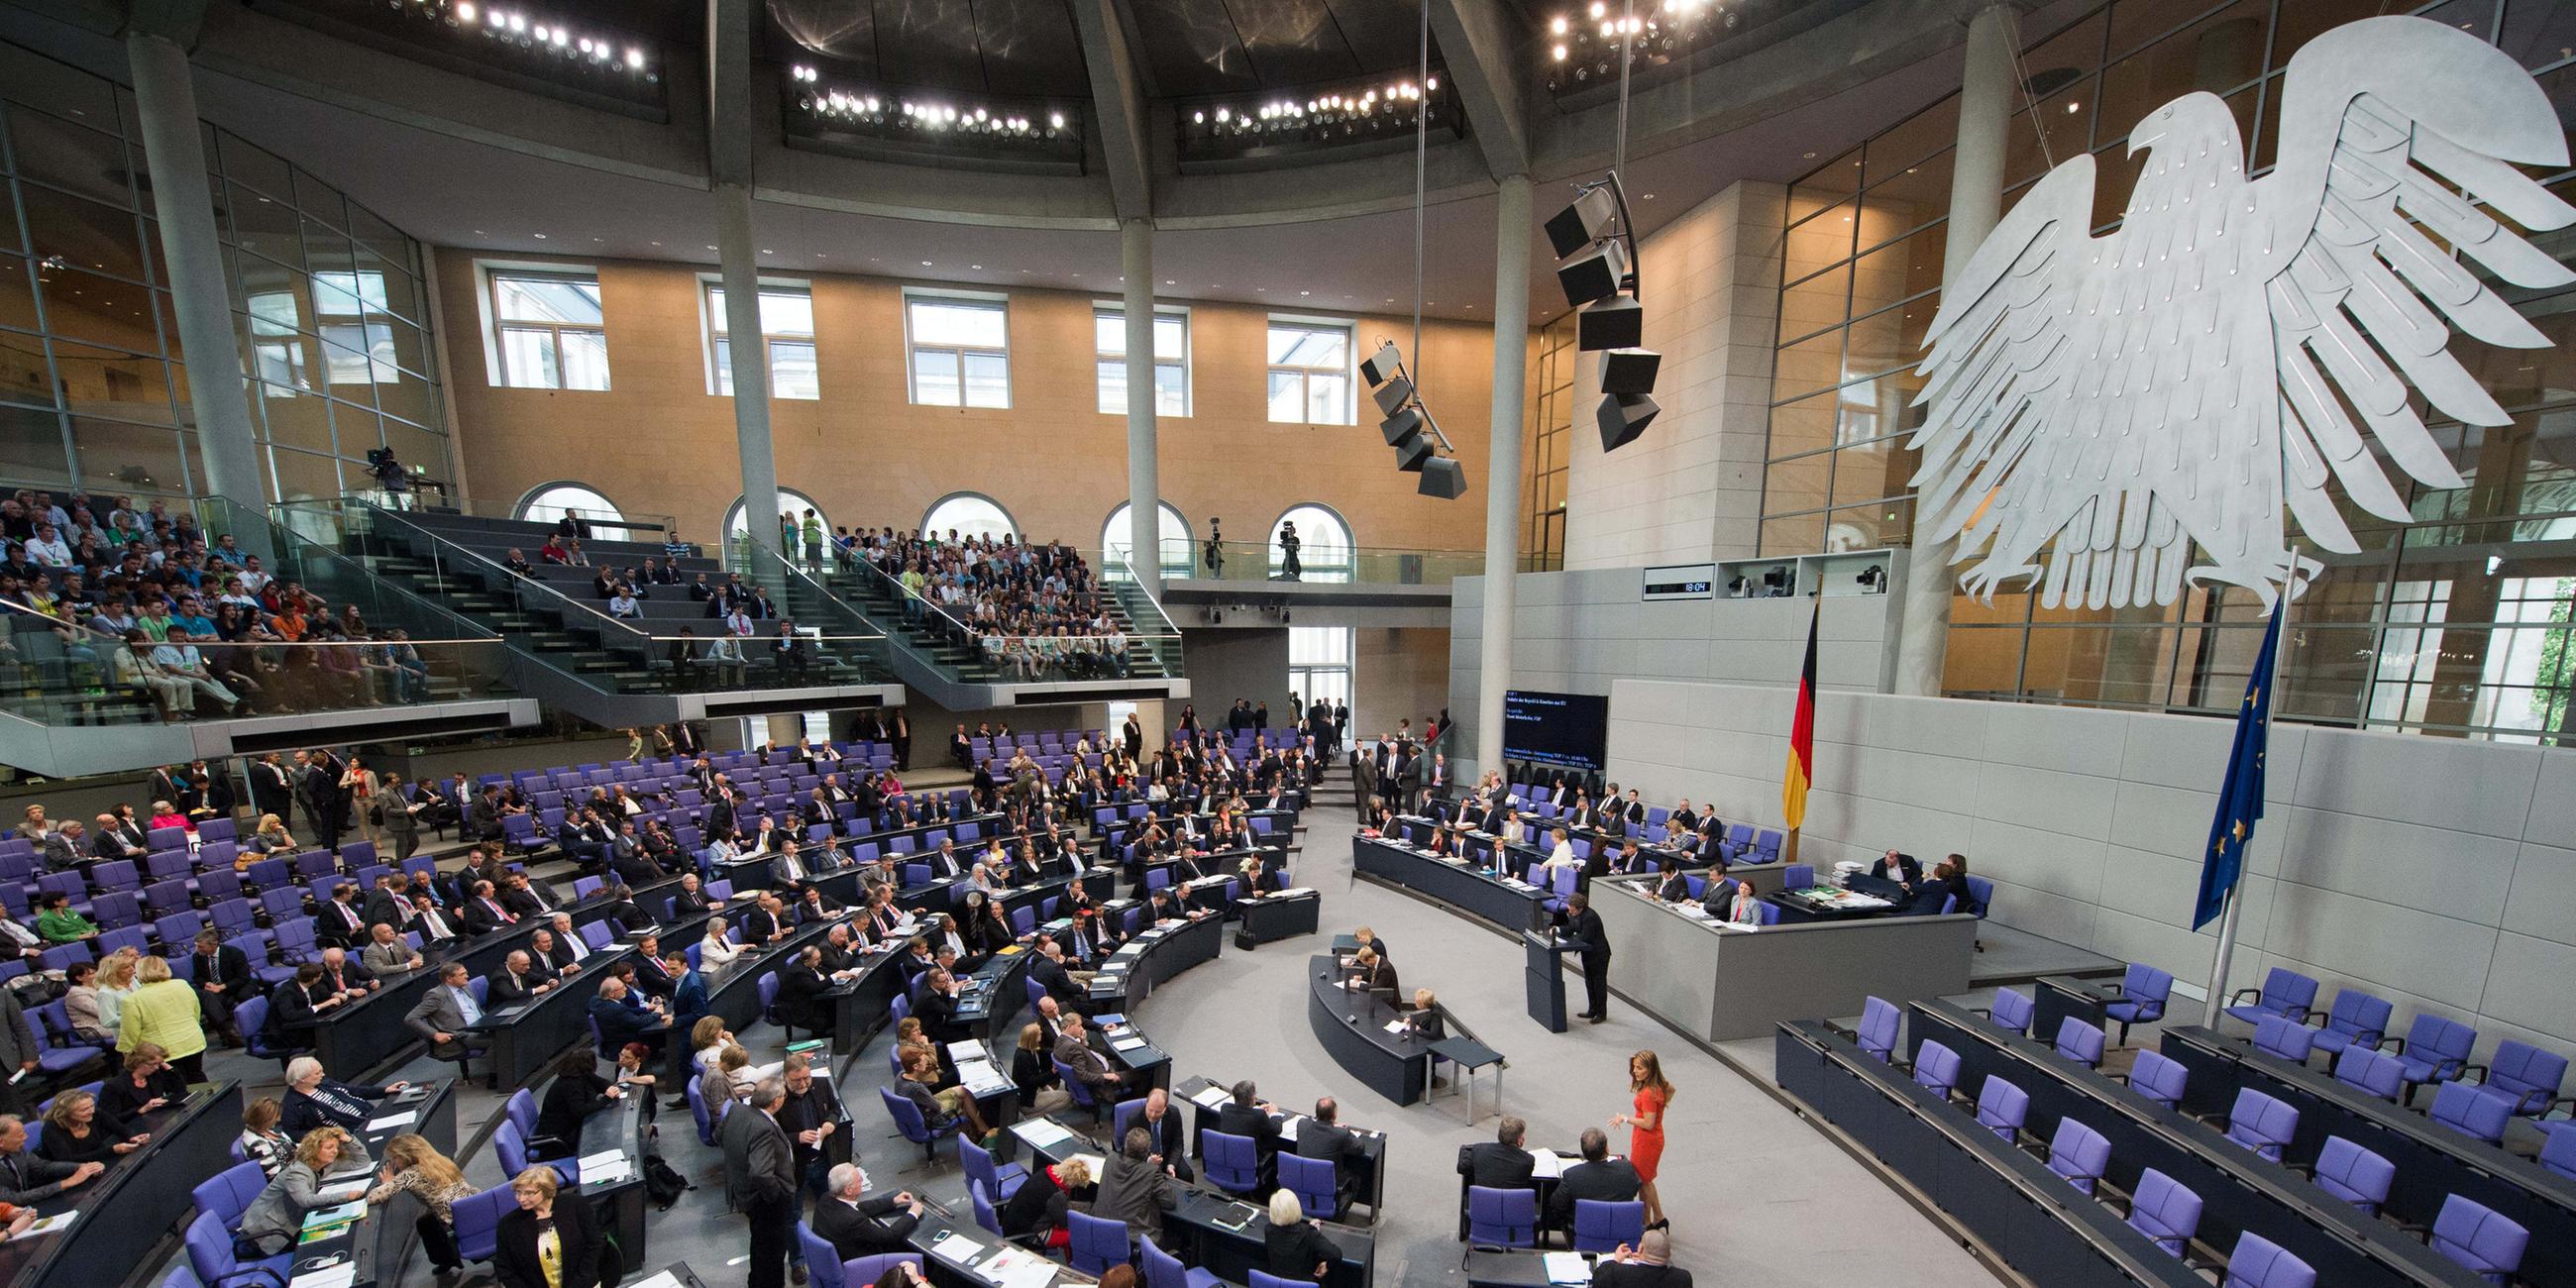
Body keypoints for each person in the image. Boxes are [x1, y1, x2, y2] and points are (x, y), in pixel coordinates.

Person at [719, 1079, 801, 1288]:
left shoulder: (737, 1110)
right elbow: (761, 1174)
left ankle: (755, 1282)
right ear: (775, 1102)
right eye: (783, 1095)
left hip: (744, 1192)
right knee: (772, 1255)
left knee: (760, 1247)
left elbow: (718, 1135)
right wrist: (778, 1196)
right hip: (766, 1203)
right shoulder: (763, 1127)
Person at [238, 1127, 361, 1255]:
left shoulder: (319, 1165)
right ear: (314, 1149)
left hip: (292, 1223)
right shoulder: (297, 1172)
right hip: (267, 1236)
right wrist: (346, 1196)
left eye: (336, 1147)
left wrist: (349, 1139)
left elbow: (362, 1162)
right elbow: (305, 1200)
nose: (335, 1151)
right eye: (329, 1148)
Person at [369, 1133, 477, 1279]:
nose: (394, 1163)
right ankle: (448, 1258)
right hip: (475, 1205)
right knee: (425, 1222)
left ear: (405, 1156)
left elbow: (373, 1197)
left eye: (395, 1158)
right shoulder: (441, 1161)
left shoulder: (411, 1174)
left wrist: (387, 1183)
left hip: (457, 1218)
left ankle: (448, 1257)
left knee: (427, 1222)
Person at [495, 1165, 609, 1288]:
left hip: (582, 1283)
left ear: (545, 1190)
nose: (521, 1199)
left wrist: (579, 1282)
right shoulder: (508, 1225)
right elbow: (505, 1270)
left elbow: (594, 1244)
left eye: (529, 1193)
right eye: (518, 1192)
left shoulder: (576, 1205)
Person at [117, 953, 209, 1081]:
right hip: (193, 1040)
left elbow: (130, 1032)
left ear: (139, 973)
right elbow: (195, 1012)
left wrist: (126, 1053)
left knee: (176, 1086)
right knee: (196, 1076)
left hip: (162, 1051)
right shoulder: (182, 984)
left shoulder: (133, 999)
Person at [1611, 1050, 1674, 1228]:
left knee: (1641, 1182)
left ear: (1650, 1069)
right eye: (1634, 1067)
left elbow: (1648, 1123)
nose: (1635, 1071)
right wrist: (1661, 1107)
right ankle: (1659, 1218)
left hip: (1646, 1141)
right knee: (1647, 1180)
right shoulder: (1660, 1085)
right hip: (1652, 1139)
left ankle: (1646, 1223)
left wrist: (1624, 1118)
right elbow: (1671, 1090)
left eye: (1639, 1068)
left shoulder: (1647, 1093)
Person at [812, 1161, 922, 1260]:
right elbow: (889, 1236)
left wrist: (893, 1201)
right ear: (848, 1190)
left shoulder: (825, 1199)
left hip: (835, 1255)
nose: (862, 1180)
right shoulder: (853, 1220)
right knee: (910, 1250)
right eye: (859, 1179)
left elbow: (858, 1207)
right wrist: (912, 1214)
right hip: (862, 1263)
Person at [1547, 1127, 1643, 1234]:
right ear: (1607, 1149)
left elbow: (1557, 1205)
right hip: (1622, 1235)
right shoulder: (1626, 1168)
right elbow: (1634, 1190)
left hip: (1585, 1235)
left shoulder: (1572, 1175)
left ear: (1583, 1150)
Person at [282, 1055, 407, 1136]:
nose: (322, 1074)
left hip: (369, 1115)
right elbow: (292, 1132)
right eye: (317, 1073)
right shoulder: (292, 1105)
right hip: (351, 1133)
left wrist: (384, 1090)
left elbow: (353, 1091)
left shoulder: (324, 1083)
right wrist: (326, 1135)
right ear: (302, 1079)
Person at [1095, 1126, 1179, 1241]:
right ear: (1147, 1152)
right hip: (1132, 1238)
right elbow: (1170, 1201)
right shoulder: (1151, 1172)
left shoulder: (1110, 1159)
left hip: (1100, 1227)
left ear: (1125, 1145)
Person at [36, 1088, 148, 1165]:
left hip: (100, 1162)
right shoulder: (51, 1129)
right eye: (84, 1109)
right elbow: (68, 1160)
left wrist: (131, 1137)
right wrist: (113, 1150)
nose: (91, 1111)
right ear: (66, 1112)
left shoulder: (96, 1114)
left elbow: (120, 1129)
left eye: (92, 1106)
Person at [998, 1155, 1089, 1248]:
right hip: (1029, 1235)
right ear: (1071, 1182)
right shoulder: (1056, 1194)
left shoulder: (1043, 1173)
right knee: (1075, 1235)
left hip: (1010, 1224)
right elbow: (1064, 1223)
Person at [537, 1046, 622, 1143]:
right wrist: (606, 1099)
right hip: (561, 1135)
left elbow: (600, 1082)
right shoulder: (570, 1084)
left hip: (571, 1126)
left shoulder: (583, 1074)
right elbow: (580, 1111)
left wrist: (610, 1088)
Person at [1294, 1096, 1365, 1211]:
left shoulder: (1302, 1124)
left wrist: (1331, 1126)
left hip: (1302, 1179)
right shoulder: (1341, 1134)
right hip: (1327, 1183)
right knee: (1356, 1178)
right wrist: (1345, 1131)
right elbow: (1360, 1147)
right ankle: (1338, 1215)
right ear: (1334, 1115)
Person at [1555, 890, 1613, 1023]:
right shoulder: (1576, 915)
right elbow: (1571, 928)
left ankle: (1601, 1013)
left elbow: (1584, 937)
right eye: (1570, 910)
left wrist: (1572, 938)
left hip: (1598, 955)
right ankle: (1592, 1010)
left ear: (1580, 908)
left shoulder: (1590, 917)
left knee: (1598, 984)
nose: (1570, 912)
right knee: (1589, 983)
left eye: (1573, 910)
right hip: (1587, 954)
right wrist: (1558, 930)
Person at [100, 1041, 189, 1123]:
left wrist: (169, 1069)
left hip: (156, 1120)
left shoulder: (154, 1075)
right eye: (153, 1064)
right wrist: (142, 1109)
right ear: (138, 1062)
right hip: (133, 1125)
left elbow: (180, 1090)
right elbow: (110, 1118)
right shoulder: (114, 1086)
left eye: (159, 1064)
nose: (156, 1067)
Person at [1264, 1189, 1339, 1282]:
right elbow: (1336, 1254)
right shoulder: (1309, 1234)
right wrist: (1327, 1266)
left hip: (1277, 1282)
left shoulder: (1268, 1229)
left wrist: (1309, 1228)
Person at [1458, 1115, 1537, 1192]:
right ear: (1519, 1140)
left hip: (1483, 1202)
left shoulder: (1479, 1150)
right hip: (1512, 1203)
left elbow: (1462, 1168)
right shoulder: (1528, 1160)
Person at [1593, 1230, 1691, 1287]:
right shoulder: (1683, 1279)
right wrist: (1642, 1261)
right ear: (1669, 1254)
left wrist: (1617, 1259)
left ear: (1640, 1249)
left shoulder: (1616, 1273)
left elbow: (1599, 1279)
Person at [237, 1096, 297, 1176]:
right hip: (289, 1179)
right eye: (275, 1116)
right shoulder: (256, 1144)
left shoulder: (269, 1129)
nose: (279, 1119)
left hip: (296, 1167)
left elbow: (292, 1146)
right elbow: (275, 1174)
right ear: (264, 1119)